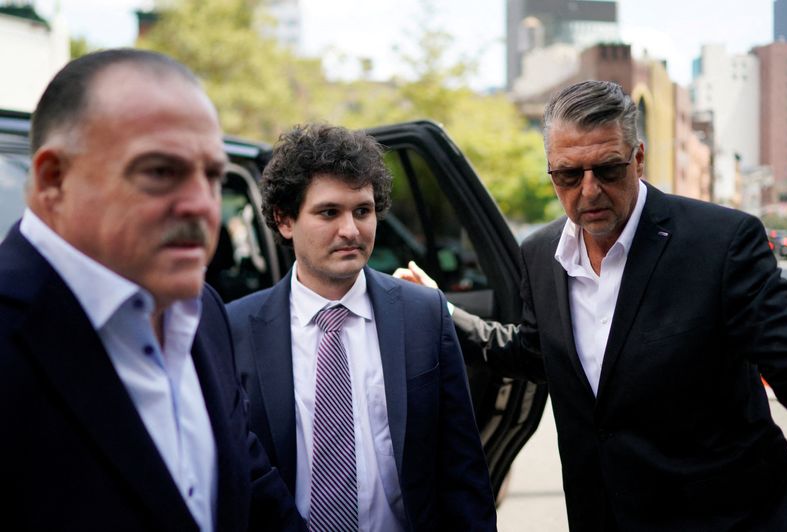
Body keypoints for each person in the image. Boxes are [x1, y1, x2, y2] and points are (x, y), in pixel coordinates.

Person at [396, 80, 787, 531]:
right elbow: (536, 350)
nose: (588, 192)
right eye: (569, 175)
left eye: (607, 170)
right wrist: (440, 310)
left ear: (638, 159)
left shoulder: (722, 243)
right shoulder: (540, 253)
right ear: (550, 169)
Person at [0, 49, 304, 531]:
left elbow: (252, 487)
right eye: (161, 172)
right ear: (53, 179)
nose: (201, 207)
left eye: (212, 177)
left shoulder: (202, 310)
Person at [227, 123, 496, 531]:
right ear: (284, 220)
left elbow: (462, 471)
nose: (351, 230)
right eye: (328, 212)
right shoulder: (236, 328)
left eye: (363, 211)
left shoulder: (423, 314)